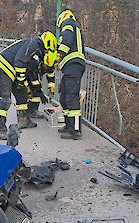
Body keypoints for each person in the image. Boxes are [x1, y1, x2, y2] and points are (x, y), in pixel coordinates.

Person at [0, 32, 58, 140]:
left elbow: (32, 75)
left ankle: (23, 120)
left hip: (14, 70)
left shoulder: (39, 55)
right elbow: (19, 62)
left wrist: (38, 91)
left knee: (22, 96)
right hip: (4, 67)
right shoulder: (34, 46)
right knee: (5, 99)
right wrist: (20, 81)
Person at [56, 10, 86, 140]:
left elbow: (66, 41)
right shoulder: (72, 26)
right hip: (70, 66)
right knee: (64, 96)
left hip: (73, 65)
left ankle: (75, 130)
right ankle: (69, 125)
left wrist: (59, 55)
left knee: (72, 96)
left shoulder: (68, 23)